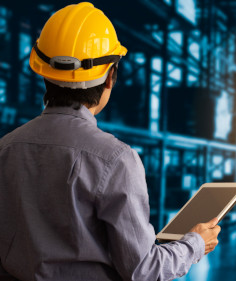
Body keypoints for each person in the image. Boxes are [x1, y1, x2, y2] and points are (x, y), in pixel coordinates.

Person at [0, 2, 221, 280]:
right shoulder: (115, 159)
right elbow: (143, 270)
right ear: (110, 78)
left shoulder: (6, 148)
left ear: (44, 72)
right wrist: (195, 244)